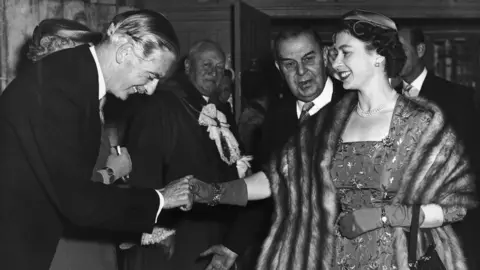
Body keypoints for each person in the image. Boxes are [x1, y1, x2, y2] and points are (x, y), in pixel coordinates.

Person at [190, 9, 477, 269]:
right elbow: (277, 178)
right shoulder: (328, 121)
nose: (335, 61)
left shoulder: (422, 122)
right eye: (334, 53)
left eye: (345, 52)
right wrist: (212, 192)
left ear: (377, 55)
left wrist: (382, 217)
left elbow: (454, 206)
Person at [0, 10, 194, 270]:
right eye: (151, 75)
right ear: (124, 51)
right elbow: (78, 201)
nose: (150, 90)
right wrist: (161, 198)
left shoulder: (77, 79)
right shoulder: (60, 89)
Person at [120, 40, 249, 270]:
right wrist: (158, 228)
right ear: (188, 66)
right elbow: (143, 168)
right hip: (178, 230)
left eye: (220, 67)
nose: (214, 72)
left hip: (218, 228)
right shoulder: (161, 104)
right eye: (207, 64)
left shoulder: (221, 110)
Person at [26, 18, 129, 270]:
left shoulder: (83, 104)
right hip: (64, 246)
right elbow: (61, 192)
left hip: (93, 237)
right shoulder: (43, 110)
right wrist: (113, 171)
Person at [398, 26, 480, 269]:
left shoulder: (457, 98)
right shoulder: (384, 99)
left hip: (447, 228)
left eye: (400, 48)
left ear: (420, 50)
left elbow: (472, 166)